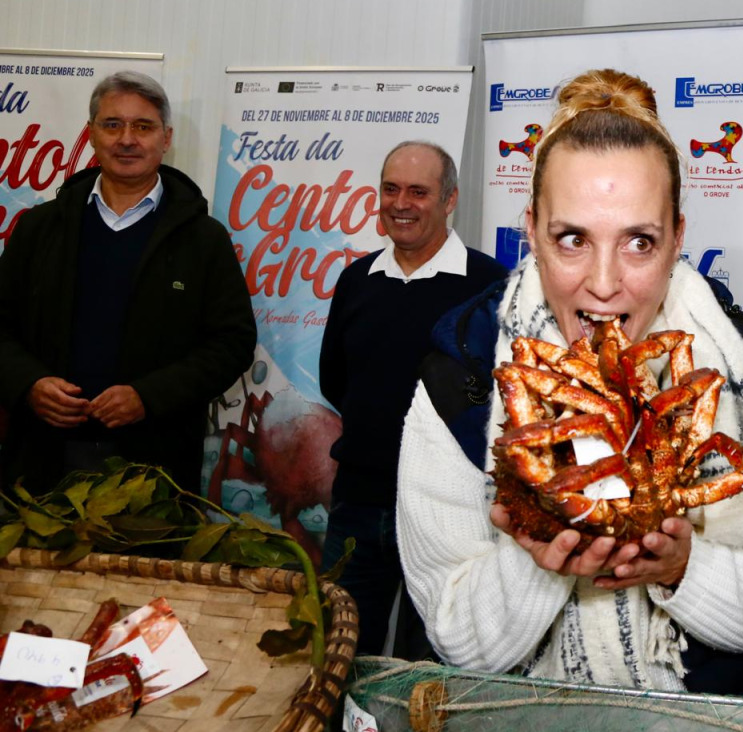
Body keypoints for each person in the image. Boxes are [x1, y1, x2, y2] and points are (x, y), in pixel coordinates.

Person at [396, 69, 743, 693]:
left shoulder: (742, 364)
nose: (603, 284)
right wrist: (538, 565)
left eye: (639, 243)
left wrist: (684, 568)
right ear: (532, 231)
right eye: (572, 238)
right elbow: (452, 632)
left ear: (678, 237)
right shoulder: (463, 370)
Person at [0, 71, 255, 495]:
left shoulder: (203, 239)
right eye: (112, 124)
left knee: (141, 567)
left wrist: (148, 397)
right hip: (43, 460)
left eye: (143, 126)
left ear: (166, 137)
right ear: (92, 134)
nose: (127, 139)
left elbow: (232, 343)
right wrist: (29, 384)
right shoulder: (40, 229)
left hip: (155, 466)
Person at [318, 141, 507, 656]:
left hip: (452, 513)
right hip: (358, 506)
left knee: (434, 668)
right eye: (391, 189)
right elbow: (336, 382)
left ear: (449, 201)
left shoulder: (491, 287)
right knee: (336, 657)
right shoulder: (357, 280)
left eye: (418, 191)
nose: (401, 203)